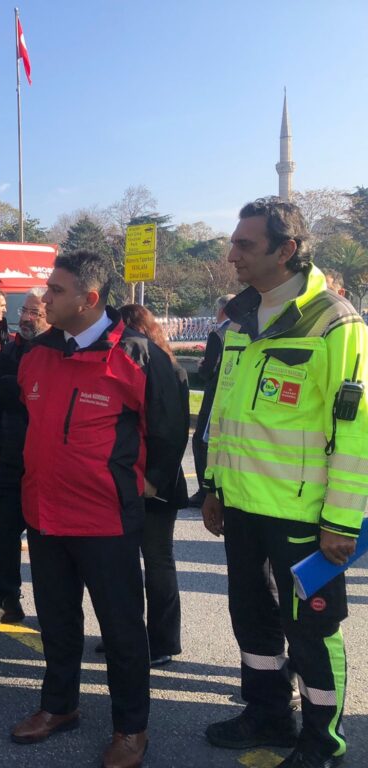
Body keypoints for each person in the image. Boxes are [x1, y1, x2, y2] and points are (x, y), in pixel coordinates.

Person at [201, 199, 368, 768]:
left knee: (313, 630)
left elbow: (355, 433)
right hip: (243, 508)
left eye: (245, 244)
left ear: (287, 249)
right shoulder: (240, 319)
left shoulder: (335, 322)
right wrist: (213, 486)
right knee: (252, 620)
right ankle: (268, 713)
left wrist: (341, 521)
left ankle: (324, 741)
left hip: (305, 517)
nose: (232, 255)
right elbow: (224, 412)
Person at [10, 250, 187, 768]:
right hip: (44, 514)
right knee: (56, 622)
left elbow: (169, 428)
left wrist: (148, 484)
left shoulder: (137, 356)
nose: (45, 298)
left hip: (105, 520)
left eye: (56, 290)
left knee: (122, 630)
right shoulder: (38, 353)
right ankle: (58, 706)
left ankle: (131, 728)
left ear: (89, 299)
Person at [119, 304, 190, 667]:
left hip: (156, 483)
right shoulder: (163, 364)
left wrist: (155, 479)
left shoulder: (166, 369)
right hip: (135, 477)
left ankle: (162, 641)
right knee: (126, 562)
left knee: (157, 560)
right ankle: (129, 634)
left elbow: (174, 431)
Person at [0, 288, 49, 628]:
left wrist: (16, 388)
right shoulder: (10, 351)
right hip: (10, 460)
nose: (26, 318)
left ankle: (52, 611)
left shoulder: (57, 352)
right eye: (24, 311)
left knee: (46, 544)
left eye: (35, 313)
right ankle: (5, 601)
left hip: (46, 466)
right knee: (5, 535)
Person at [189, 294, 234, 508]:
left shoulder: (219, 334)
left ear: (222, 310)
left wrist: (201, 368)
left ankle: (204, 490)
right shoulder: (243, 330)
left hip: (216, 392)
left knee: (201, 440)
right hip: (233, 394)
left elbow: (210, 369)